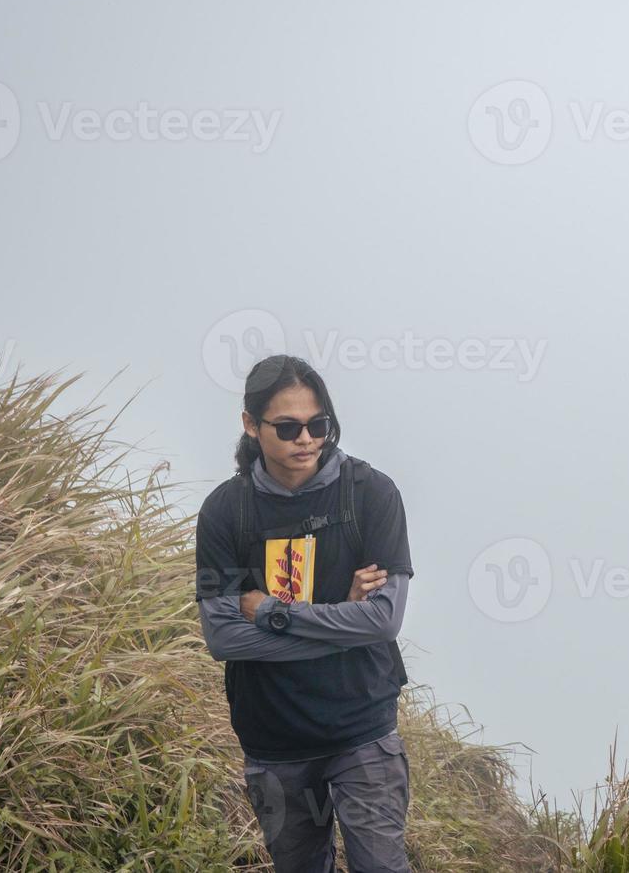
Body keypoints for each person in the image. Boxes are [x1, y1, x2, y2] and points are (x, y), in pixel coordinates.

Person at [194, 353, 415, 872]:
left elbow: (384, 621)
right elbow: (223, 638)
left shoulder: (372, 495)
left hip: (362, 728)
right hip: (273, 739)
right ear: (251, 425)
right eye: (289, 427)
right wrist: (344, 621)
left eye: (319, 425)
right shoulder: (224, 512)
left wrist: (271, 613)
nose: (307, 439)